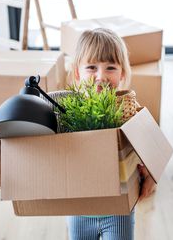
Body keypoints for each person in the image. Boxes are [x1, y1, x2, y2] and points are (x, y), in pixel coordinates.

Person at [67, 28, 156, 240]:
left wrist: (151, 173)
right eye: (91, 67)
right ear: (78, 72)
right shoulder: (69, 112)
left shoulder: (128, 109)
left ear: (122, 73)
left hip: (119, 211)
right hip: (79, 211)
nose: (101, 76)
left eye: (110, 67)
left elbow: (153, 147)